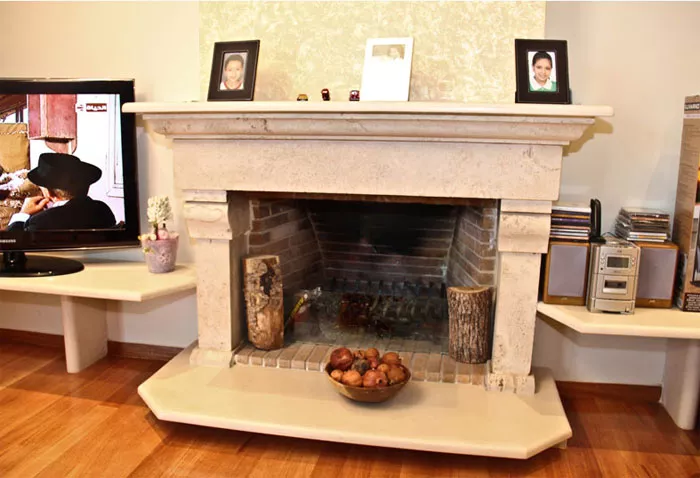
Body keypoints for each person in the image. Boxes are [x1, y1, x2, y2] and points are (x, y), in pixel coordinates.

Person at [6, 152, 116, 232]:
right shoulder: (103, 210)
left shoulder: (40, 222)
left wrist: (23, 214)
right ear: (86, 187)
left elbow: (13, 245)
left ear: (49, 193)